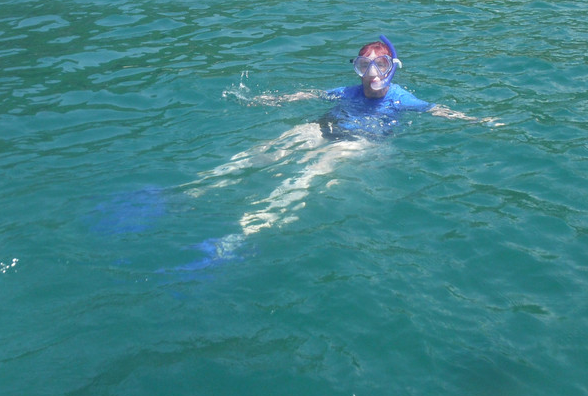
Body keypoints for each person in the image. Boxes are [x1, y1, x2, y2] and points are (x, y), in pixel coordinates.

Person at [175, 36, 498, 270]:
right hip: (329, 126)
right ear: (357, 68)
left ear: (392, 68)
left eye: (379, 65)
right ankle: (194, 189)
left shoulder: (402, 98)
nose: (371, 74)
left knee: (316, 167)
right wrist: (275, 100)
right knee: (279, 143)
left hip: (363, 142)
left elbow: (435, 110)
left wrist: (477, 120)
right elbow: (311, 94)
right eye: (364, 66)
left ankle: (248, 230)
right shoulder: (348, 92)